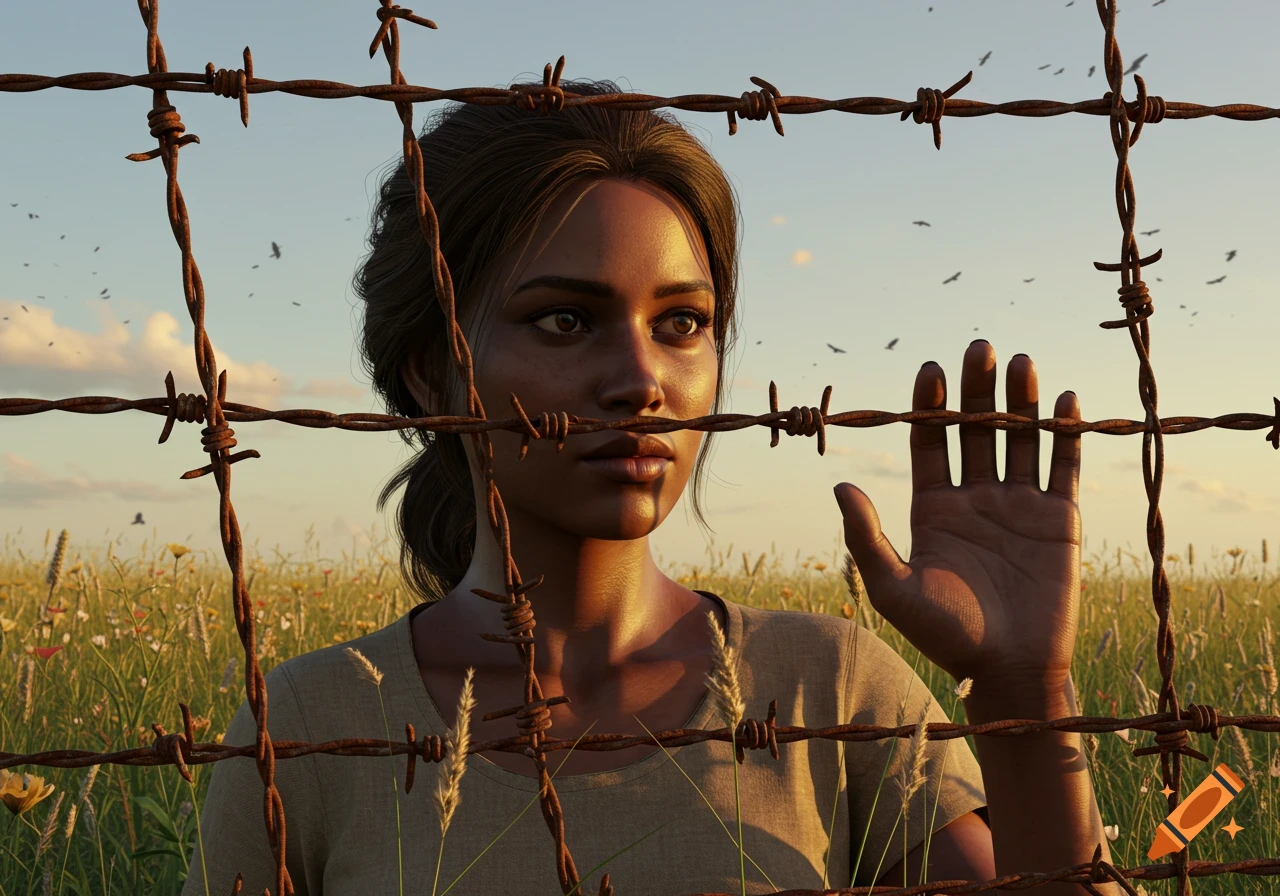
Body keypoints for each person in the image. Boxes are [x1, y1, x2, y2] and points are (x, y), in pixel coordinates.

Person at [186, 78, 1116, 896]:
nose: (642, 380)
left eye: (682, 323)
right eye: (564, 319)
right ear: (433, 371)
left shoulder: (827, 690)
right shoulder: (307, 728)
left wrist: (1023, 688)